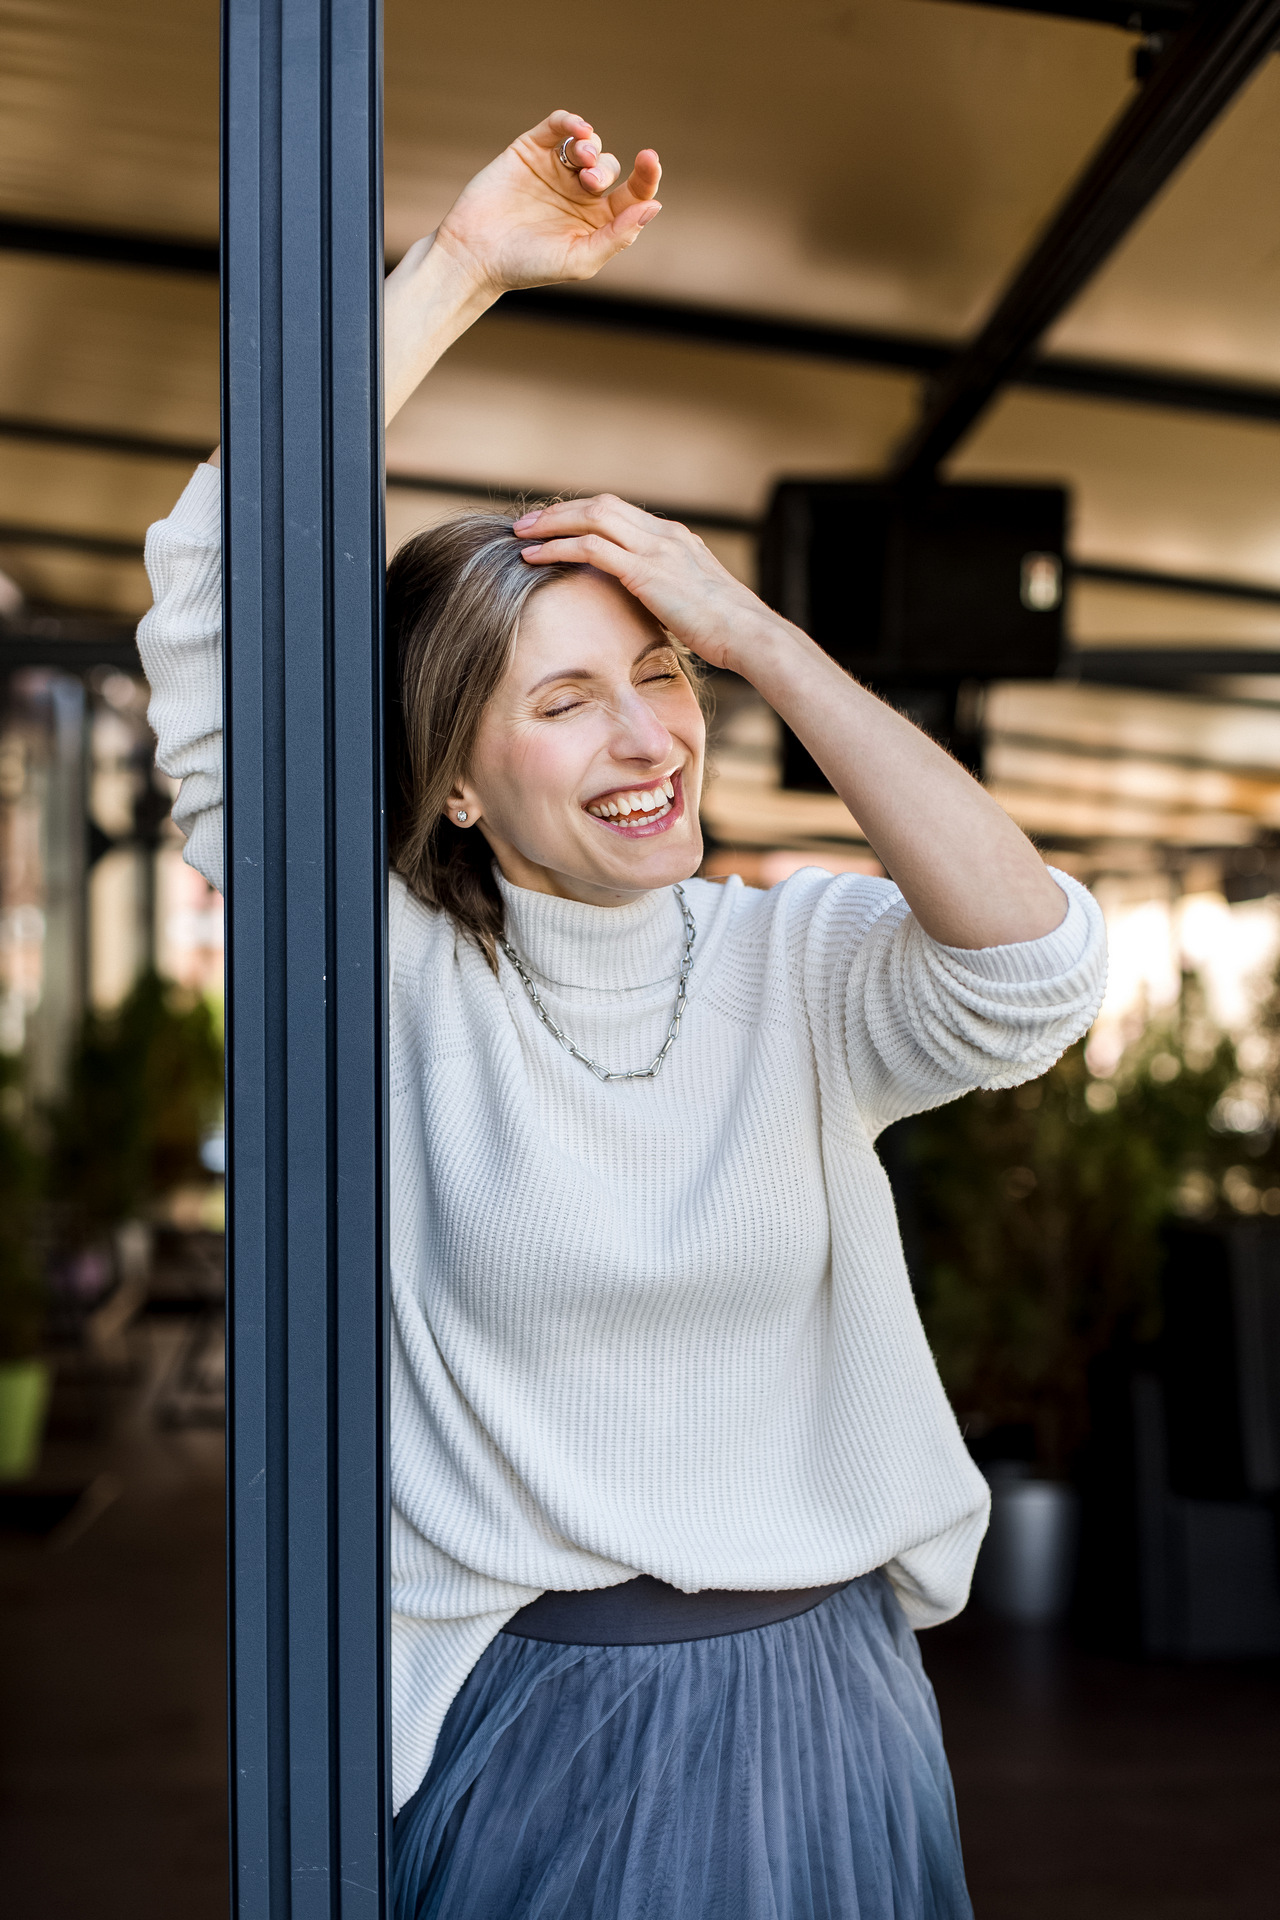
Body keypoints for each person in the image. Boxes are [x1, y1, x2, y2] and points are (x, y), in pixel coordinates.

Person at [139, 109, 1106, 1920]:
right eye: (566, 702)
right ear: (447, 783)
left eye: (658, 677)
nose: (647, 737)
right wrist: (470, 266)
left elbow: (1036, 963)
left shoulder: (793, 964)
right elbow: (211, 578)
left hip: (833, 1716)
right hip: (539, 1736)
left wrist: (759, 636)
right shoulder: (386, 971)